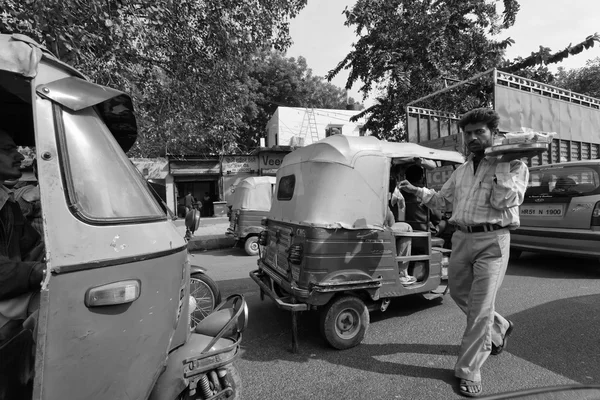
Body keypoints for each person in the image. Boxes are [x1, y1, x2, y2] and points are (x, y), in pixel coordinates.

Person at [399, 108, 529, 397]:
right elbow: (441, 200)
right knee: (458, 292)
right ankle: (501, 324)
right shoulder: (461, 170)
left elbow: (505, 200)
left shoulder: (515, 165)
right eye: (468, 133)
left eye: (479, 131)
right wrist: (416, 191)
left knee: (480, 309)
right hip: (461, 238)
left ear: (493, 133)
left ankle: (469, 369)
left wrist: (502, 164)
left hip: (493, 241)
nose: (472, 137)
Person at [0, 129, 45, 397]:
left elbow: (33, 244)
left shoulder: (8, 203)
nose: (19, 155)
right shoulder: (22, 197)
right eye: (7, 150)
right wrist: (37, 271)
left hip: (10, 299)